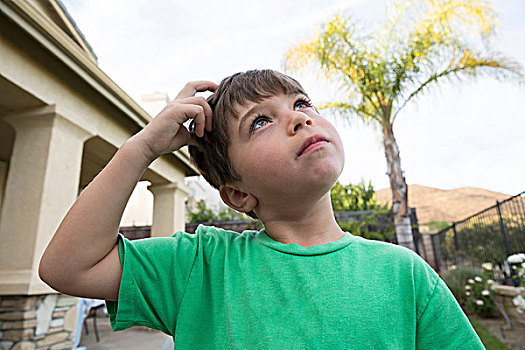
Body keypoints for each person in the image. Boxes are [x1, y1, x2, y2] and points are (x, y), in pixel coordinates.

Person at [39, 70, 485, 349]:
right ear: (236, 194)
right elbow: (65, 268)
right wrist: (142, 148)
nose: (299, 118)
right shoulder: (202, 265)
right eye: (260, 121)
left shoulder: (404, 273)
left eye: (301, 103)